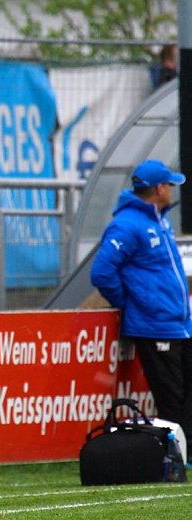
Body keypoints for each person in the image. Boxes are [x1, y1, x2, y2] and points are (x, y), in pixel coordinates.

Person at [91, 159, 192, 463]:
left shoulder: (159, 219)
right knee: (171, 398)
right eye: (170, 185)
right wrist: (129, 302)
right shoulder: (127, 224)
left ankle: (185, 450)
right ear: (159, 189)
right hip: (154, 326)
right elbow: (102, 271)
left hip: (179, 323)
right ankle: (176, 456)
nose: (173, 190)